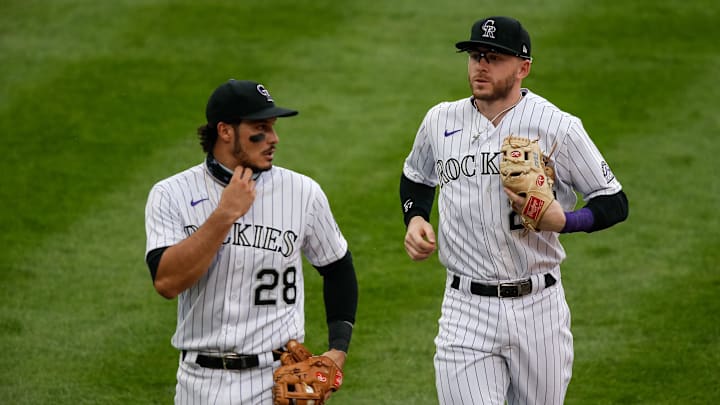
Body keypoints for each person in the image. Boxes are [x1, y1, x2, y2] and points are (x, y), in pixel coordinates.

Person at [399, 16, 628, 405]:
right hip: (464, 308)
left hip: (539, 308)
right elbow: (416, 176)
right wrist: (416, 217)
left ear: (523, 68)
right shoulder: (440, 120)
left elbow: (614, 201)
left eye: (493, 57)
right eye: (475, 56)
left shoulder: (558, 126)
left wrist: (566, 221)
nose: (480, 65)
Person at [144, 79, 358, 404]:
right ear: (225, 131)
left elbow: (338, 267)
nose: (274, 139)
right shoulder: (171, 195)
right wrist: (224, 215)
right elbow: (167, 281)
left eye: (272, 127)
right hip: (198, 384)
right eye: (261, 128)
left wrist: (338, 350)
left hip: (274, 382)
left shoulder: (303, 193)